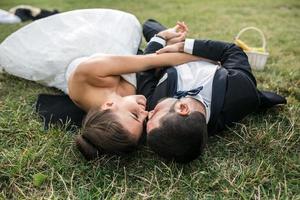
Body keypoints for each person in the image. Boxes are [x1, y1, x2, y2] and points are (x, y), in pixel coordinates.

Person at [137, 19, 286, 163]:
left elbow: (144, 70)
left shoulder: (152, 102)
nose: (147, 113)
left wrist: (162, 37)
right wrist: (184, 46)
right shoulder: (240, 91)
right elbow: (231, 51)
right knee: (155, 27)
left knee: (149, 26)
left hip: (166, 56)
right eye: (154, 114)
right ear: (183, 108)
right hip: (203, 54)